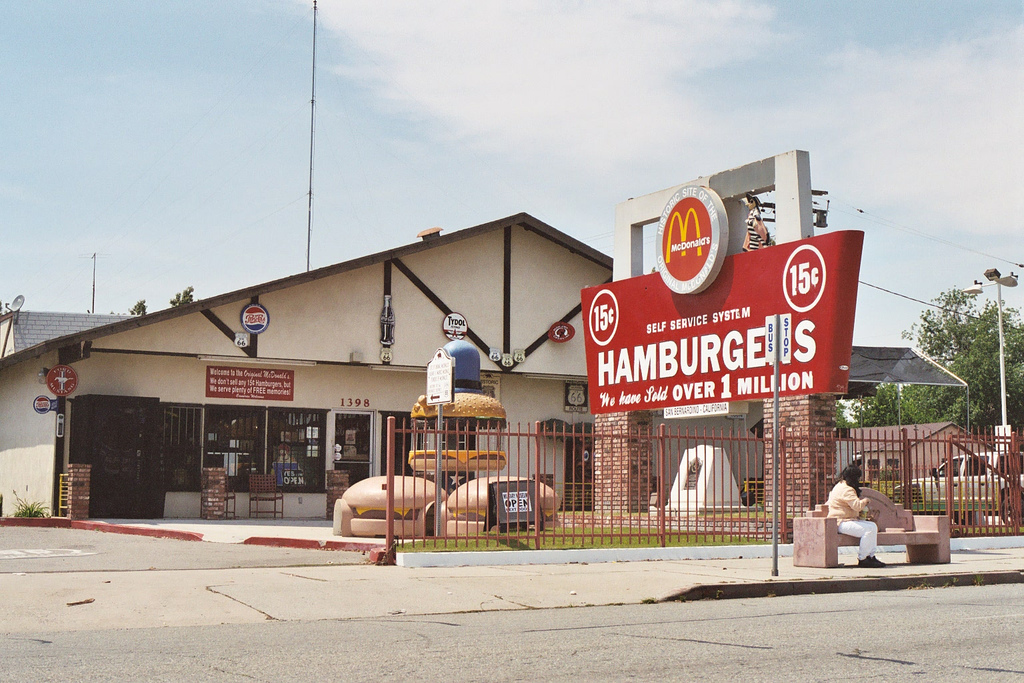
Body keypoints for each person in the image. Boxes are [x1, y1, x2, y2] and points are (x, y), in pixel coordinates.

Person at [827, 465, 887, 568]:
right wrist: (866, 500)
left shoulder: (839, 485)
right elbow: (857, 506)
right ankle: (863, 558)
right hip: (841, 522)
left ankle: (870, 556)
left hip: (844, 520)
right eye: (858, 478)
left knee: (872, 526)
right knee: (868, 529)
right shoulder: (847, 489)